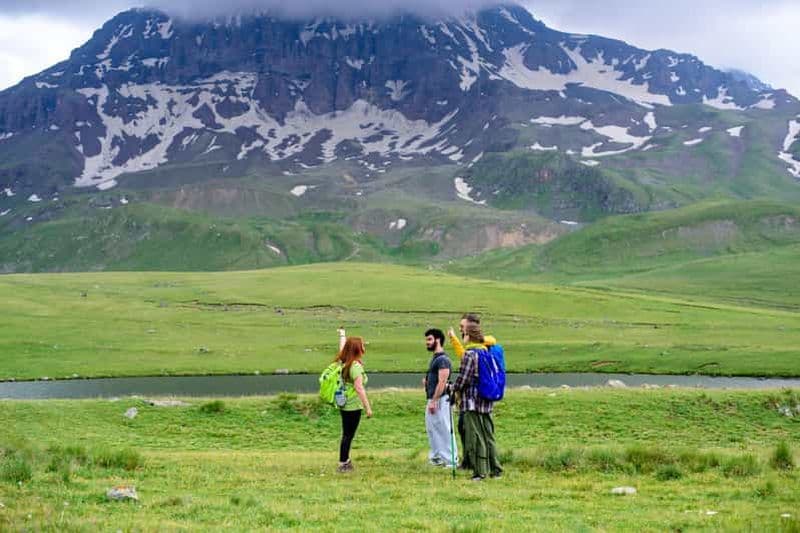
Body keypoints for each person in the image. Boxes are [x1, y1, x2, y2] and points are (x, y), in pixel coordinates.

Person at [450, 322, 502, 481]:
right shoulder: (487, 352)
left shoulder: (470, 354)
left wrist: (452, 387)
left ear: (470, 336)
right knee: (488, 434)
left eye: (464, 334)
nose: (462, 337)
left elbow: (464, 379)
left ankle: (480, 472)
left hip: (472, 400)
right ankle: (496, 469)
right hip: (487, 398)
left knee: (477, 435)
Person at [334, 328, 373, 473]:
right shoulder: (355, 366)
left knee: (346, 433)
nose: (364, 347)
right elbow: (359, 388)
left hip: (344, 403)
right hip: (353, 405)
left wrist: (342, 335)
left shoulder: (344, 362)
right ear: (357, 349)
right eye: (362, 345)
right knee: (348, 435)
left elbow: (342, 348)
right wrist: (367, 407)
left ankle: (346, 461)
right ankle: (343, 463)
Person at [422, 328, 458, 468]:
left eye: (429, 339)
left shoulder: (443, 360)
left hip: (441, 400)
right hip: (433, 399)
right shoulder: (436, 359)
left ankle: (451, 460)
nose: (427, 343)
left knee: (444, 428)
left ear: (438, 340)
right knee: (433, 429)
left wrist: (435, 400)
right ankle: (437, 457)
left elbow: (443, 381)